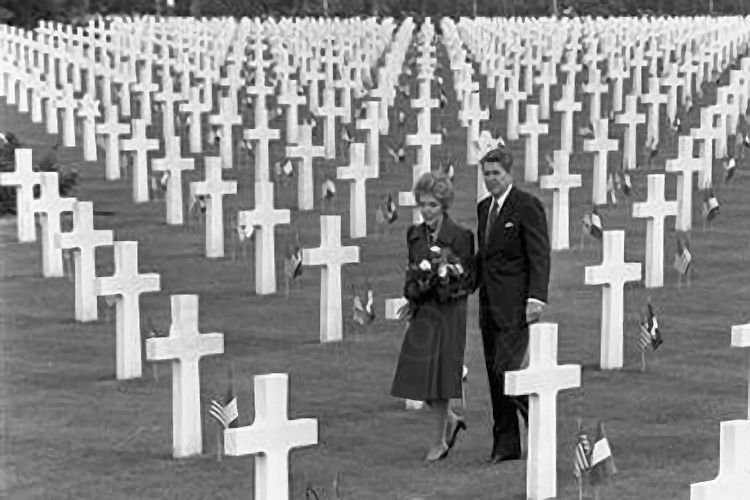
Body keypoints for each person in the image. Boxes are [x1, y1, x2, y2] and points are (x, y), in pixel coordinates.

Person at [474, 146, 551, 464]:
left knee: (505, 369)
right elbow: (484, 258)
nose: (491, 179)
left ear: (510, 173)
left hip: (516, 304)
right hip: (488, 305)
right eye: (487, 174)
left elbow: (539, 253)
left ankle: (540, 421)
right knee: (494, 377)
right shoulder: (483, 209)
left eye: (496, 174)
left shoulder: (527, 206)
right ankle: (505, 443)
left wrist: (536, 297)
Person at [391, 171, 475, 462]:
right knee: (416, 375)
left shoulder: (462, 236)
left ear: (444, 205)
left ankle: (439, 441)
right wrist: (414, 291)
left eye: (432, 205)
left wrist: (442, 282)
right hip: (423, 312)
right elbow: (411, 270)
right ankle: (451, 419)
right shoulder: (413, 234)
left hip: (449, 312)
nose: (426, 210)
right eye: (422, 204)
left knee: (439, 379)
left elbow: (466, 280)